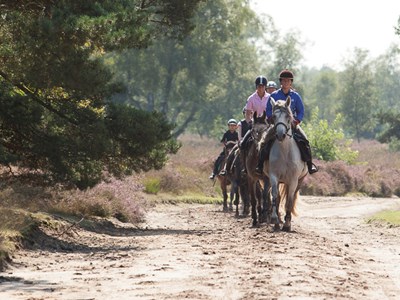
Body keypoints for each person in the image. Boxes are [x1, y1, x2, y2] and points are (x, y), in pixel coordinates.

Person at [255, 69, 319, 175]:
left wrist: (296, 121)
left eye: (288, 81)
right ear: (280, 82)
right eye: (283, 81)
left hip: (292, 125)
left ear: (291, 82)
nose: (285, 83)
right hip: (277, 125)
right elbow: (268, 110)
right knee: (264, 142)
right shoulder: (274, 96)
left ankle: (309, 165)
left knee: (305, 141)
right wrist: (271, 119)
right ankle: (260, 165)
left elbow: (301, 111)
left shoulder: (296, 96)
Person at [239, 75, 270, 173]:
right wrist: (249, 123)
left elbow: (272, 113)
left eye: (262, 86)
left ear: (265, 87)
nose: (260, 88)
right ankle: (245, 166)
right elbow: (248, 114)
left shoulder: (270, 98)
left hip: (266, 125)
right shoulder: (251, 98)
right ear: (256, 87)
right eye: (259, 86)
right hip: (255, 125)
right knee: (243, 143)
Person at [220, 107, 252, 176]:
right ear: (244, 114)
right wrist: (241, 141)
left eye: (250, 113)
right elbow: (239, 135)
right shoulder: (241, 123)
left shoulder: (255, 122)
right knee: (231, 153)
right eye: (246, 113)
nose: (249, 114)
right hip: (243, 142)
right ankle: (226, 169)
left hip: (252, 142)